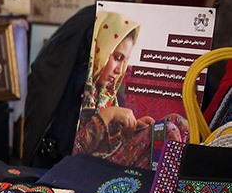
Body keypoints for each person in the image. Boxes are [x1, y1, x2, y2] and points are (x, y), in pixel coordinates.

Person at [73, 9, 185, 167]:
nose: (119, 70)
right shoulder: (80, 88)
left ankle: (179, 176)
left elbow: (113, 140)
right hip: (94, 168)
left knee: (177, 121)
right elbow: (77, 150)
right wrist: (109, 114)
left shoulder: (106, 94)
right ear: (101, 50)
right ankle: (166, 181)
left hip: (115, 157)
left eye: (124, 61)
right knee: (167, 130)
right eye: (117, 58)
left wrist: (133, 126)